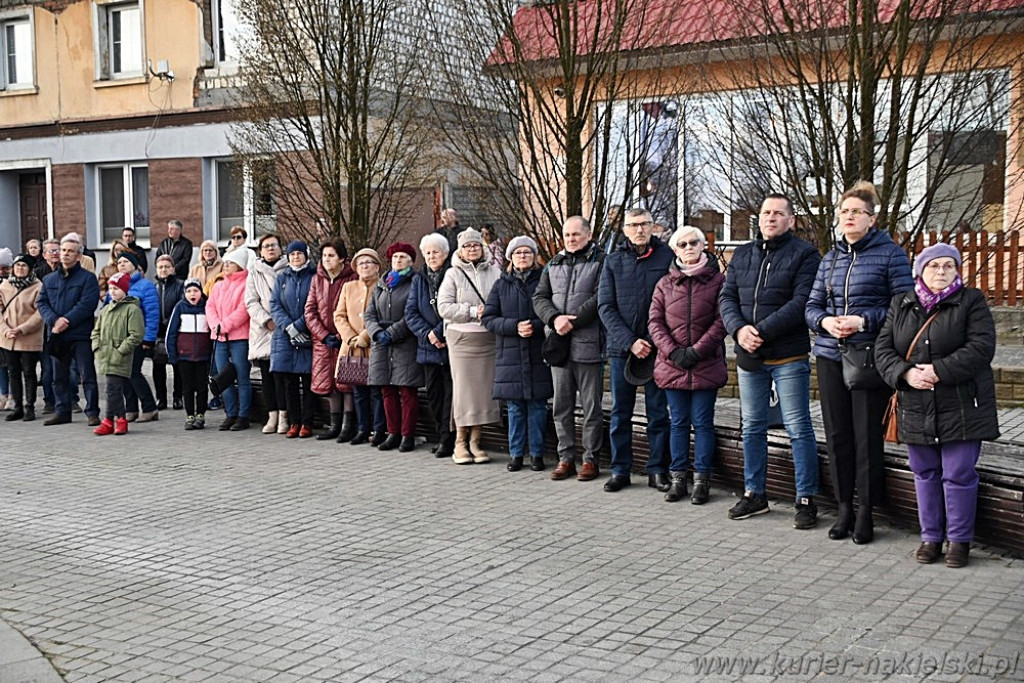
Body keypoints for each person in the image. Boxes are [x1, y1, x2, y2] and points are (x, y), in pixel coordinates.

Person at [875, 244, 999, 568]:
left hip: (961, 405)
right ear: (920, 271)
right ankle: (930, 536)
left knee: (958, 474)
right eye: (934, 266)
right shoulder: (901, 304)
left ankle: (959, 541)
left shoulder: (971, 301)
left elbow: (981, 347)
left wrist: (938, 370)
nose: (941, 272)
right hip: (915, 405)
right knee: (924, 473)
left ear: (957, 270)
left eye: (948, 266)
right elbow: (883, 350)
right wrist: (905, 373)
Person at [805, 181, 914, 544]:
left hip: (870, 357)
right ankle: (843, 508)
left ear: (872, 218)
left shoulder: (890, 254)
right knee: (837, 437)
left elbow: (904, 308)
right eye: (844, 212)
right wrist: (825, 322)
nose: (849, 217)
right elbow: (811, 306)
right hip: (830, 355)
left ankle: (867, 510)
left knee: (866, 437)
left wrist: (862, 321)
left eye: (856, 212)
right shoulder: (830, 257)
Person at [719, 193, 822, 527]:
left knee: (797, 427)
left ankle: (805, 498)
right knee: (752, 426)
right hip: (750, 356)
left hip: (788, 356)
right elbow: (727, 297)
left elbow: (801, 302)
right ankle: (754, 494)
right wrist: (738, 331)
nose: (770, 218)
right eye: (765, 213)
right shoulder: (743, 254)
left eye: (778, 213)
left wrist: (759, 330)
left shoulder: (805, 255)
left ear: (790, 220)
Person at [648, 227, 727, 503]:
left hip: (706, 363)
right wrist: (673, 352)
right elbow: (655, 323)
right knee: (678, 423)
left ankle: (702, 481)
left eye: (694, 242)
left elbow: (722, 321)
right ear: (675, 249)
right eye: (683, 244)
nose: (689, 247)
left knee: (703, 423)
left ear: (704, 246)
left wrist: (696, 351)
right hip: (673, 365)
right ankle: (678, 478)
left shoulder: (719, 281)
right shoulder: (664, 284)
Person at [598, 207, 674, 493]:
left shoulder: (668, 257)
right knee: (620, 412)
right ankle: (620, 469)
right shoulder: (613, 261)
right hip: (622, 349)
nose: (639, 229)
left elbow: (674, 302)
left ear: (653, 226)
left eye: (644, 224)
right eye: (633, 225)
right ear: (625, 229)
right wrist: (630, 341)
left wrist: (656, 340)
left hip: (658, 348)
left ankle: (657, 470)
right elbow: (605, 306)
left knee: (658, 412)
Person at [532, 216, 605, 482]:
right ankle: (566, 458)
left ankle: (590, 460)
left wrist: (572, 321)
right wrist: (554, 319)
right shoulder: (553, 263)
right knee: (561, 407)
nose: (571, 239)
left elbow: (601, 297)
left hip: (589, 345)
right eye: (567, 235)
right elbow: (539, 297)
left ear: (588, 234)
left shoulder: (600, 261)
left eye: (576, 234)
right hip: (559, 347)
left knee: (591, 408)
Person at [482, 236, 551, 472]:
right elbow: (489, 318)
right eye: (518, 252)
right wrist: (513, 326)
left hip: (537, 352)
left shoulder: (545, 280)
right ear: (510, 257)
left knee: (538, 407)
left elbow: (552, 312)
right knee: (515, 408)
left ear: (534, 257)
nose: (523, 256)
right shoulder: (501, 285)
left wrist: (535, 326)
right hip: (510, 356)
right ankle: (516, 454)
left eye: (528, 252)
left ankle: (537, 454)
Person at [437, 228, 501, 464]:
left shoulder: (495, 271)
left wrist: (492, 313)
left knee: (483, 393)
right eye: (467, 246)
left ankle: (476, 440)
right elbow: (444, 307)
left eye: (475, 245)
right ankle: (460, 441)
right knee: (464, 391)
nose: (472, 249)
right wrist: (473, 311)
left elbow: (501, 299)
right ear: (460, 250)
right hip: (461, 338)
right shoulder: (453, 274)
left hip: (487, 338)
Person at [36, 234, 101, 427]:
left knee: (87, 375)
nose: (64, 254)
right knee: (58, 377)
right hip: (57, 335)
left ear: (79, 256)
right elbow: (42, 302)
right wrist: (54, 320)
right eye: (63, 250)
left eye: (70, 251)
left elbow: (88, 304)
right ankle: (62, 411)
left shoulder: (88, 278)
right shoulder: (48, 280)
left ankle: (92, 412)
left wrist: (67, 320)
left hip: (79, 334)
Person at [365, 242, 424, 451]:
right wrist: (377, 332)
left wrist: (392, 333)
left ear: (411, 260)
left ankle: (407, 434)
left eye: (403, 257)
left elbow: (414, 312)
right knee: (387, 390)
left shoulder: (416, 281)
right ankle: (393, 432)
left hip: (405, 343)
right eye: (395, 257)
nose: (398, 260)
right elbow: (369, 313)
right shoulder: (382, 283)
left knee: (407, 391)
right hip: (381, 344)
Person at [406, 234, 454, 457]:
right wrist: (428, 334)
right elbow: (411, 312)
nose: (432, 256)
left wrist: (439, 332)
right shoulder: (419, 279)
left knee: (450, 395)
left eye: (436, 252)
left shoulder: (453, 274)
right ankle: (441, 434)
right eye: (428, 252)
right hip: (428, 347)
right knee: (434, 395)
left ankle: (448, 439)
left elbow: (456, 306)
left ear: (445, 253)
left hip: (450, 344)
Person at [305, 238, 357, 440]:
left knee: (347, 382)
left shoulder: (351, 278)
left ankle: (348, 425)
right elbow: (310, 311)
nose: (327, 259)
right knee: (329, 384)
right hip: (323, 340)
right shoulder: (317, 279)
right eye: (324, 255)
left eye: (331, 255)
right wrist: (324, 335)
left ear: (342, 258)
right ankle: (334, 424)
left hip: (346, 338)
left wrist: (342, 334)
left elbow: (354, 309)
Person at [335, 248, 386, 445]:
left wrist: (366, 335)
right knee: (358, 392)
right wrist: (350, 337)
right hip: (352, 346)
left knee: (376, 391)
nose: (365, 266)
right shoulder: (349, 287)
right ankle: (362, 429)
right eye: (361, 263)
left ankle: (378, 429)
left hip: (374, 346)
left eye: (369, 262)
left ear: (377, 266)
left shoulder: (382, 286)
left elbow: (383, 315)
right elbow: (339, 315)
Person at [270, 241, 316, 438]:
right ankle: (294, 422)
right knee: (289, 382)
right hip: (285, 337)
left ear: (306, 255)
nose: (296, 257)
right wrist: (288, 326)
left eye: (299, 253)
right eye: (292, 254)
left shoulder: (314, 277)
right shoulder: (282, 277)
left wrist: (300, 325)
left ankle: (307, 422)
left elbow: (316, 304)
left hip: (307, 333)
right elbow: (274, 304)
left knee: (307, 383)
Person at [90, 272, 144, 436]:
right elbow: (96, 331)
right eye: (110, 288)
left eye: (116, 288)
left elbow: (136, 334)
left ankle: (112, 420)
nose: (112, 292)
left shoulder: (132, 309)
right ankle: (117, 419)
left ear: (125, 290)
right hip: (105, 355)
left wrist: (121, 350)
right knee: (112, 390)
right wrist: (96, 347)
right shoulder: (106, 310)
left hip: (120, 357)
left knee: (112, 389)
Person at [246, 233, 289, 434]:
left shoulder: (289, 269)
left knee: (283, 377)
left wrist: (281, 321)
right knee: (267, 376)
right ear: (260, 251)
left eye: (274, 245)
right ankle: (271, 415)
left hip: (285, 328)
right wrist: (266, 320)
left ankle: (284, 416)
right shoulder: (254, 271)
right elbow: (251, 301)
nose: (270, 249)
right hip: (263, 329)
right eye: (266, 246)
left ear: (281, 248)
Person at [207, 247, 253, 431]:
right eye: (225, 263)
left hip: (239, 337)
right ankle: (230, 413)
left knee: (242, 377)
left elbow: (244, 309)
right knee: (223, 378)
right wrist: (216, 325)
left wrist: (224, 325)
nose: (226, 266)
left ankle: (244, 415)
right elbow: (210, 307)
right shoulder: (218, 285)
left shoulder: (247, 284)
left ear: (239, 265)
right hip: (219, 338)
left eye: (230, 263)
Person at [112, 252, 160, 423]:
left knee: (133, 372)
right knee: (122, 374)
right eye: (119, 262)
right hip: (118, 338)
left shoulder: (145, 286)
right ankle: (130, 409)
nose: (122, 264)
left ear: (134, 264)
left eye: (126, 261)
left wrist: (148, 338)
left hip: (137, 337)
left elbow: (152, 314)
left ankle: (149, 407)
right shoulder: (116, 283)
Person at [0, 254, 44, 421]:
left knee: (29, 372)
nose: (20, 269)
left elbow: (39, 313)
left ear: (30, 269)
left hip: (29, 337)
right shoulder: (5, 285)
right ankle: (17, 406)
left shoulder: (38, 286)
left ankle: (30, 406)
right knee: (13, 372)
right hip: (8, 337)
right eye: (17, 266)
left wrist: (22, 329)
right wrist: (5, 330)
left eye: (24, 266)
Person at [166, 279, 213, 430]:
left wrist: (211, 355)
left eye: (196, 291)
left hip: (202, 355)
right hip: (184, 356)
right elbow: (171, 333)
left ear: (201, 292)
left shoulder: (206, 307)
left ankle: (200, 414)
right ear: (184, 293)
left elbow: (212, 331)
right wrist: (172, 355)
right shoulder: (179, 307)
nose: (192, 294)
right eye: (189, 291)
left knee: (201, 386)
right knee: (187, 387)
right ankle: (189, 415)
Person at [153, 254, 185, 410]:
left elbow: (181, 305)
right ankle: (161, 398)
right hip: (158, 333)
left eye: (167, 266)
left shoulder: (180, 285)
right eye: (160, 267)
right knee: (158, 366)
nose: (164, 270)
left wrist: (170, 324)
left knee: (177, 366)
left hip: (175, 331)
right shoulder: (154, 287)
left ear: (173, 268)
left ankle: (178, 397)